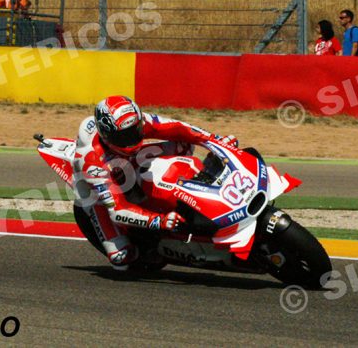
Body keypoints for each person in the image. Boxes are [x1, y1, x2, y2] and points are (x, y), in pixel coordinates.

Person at [74, 95, 238, 270]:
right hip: (96, 192)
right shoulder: (92, 162)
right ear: (107, 135)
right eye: (124, 136)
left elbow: (178, 128)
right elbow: (117, 210)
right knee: (121, 257)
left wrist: (215, 141)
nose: (132, 139)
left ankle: (201, 185)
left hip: (130, 161)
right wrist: (159, 221)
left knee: (184, 145)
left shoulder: (138, 121)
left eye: (135, 131)